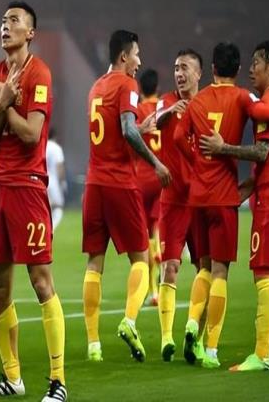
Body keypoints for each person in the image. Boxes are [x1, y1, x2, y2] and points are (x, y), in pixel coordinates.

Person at [175, 42, 269, 368]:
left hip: (198, 196)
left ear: (212, 68)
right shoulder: (243, 98)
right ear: (239, 69)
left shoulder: (197, 100)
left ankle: (191, 323)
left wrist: (197, 162)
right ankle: (211, 349)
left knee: (203, 267)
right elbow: (264, 113)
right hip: (224, 194)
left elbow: (177, 138)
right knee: (220, 272)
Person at [0, 1, 67, 401]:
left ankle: (58, 382)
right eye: (3, 20)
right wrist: (1, 100)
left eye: (13, 20)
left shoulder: (40, 72)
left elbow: (31, 135)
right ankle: (13, 378)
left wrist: (7, 102)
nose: (5, 25)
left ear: (30, 32)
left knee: (40, 281)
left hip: (29, 186)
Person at [82, 30, 171, 363]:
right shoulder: (127, 84)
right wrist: (156, 162)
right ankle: (129, 321)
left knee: (94, 262)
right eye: (136, 54)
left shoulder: (95, 87)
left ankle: (93, 344)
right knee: (141, 259)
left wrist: (139, 129)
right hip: (120, 183)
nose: (139, 61)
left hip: (94, 185)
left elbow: (115, 131)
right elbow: (126, 129)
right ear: (123, 56)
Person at [155, 48, 210, 363]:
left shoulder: (208, 106)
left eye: (185, 68)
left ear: (199, 73)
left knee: (206, 268)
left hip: (202, 200)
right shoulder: (167, 101)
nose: (179, 73)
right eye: (176, 68)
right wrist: (169, 111)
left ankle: (197, 339)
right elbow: (153, 121)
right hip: (173, 200)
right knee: (170, 266)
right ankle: (166, 338)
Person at [136, 68, 162, 306]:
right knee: (157, 228)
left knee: (144, 236)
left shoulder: (139, 111)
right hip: (161, 176)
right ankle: (160, 253)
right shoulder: (163, 110)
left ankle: (152, 290)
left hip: (142, 178)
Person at [46, 128, 67, 230]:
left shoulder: (43, 146)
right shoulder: (56, 148)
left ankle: (45, 228)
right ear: (55, 137)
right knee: (58, 207)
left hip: (42, 179)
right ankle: (51, 229)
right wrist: (62, 181)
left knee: (46, 207)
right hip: (53, 181)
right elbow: (59, 166)